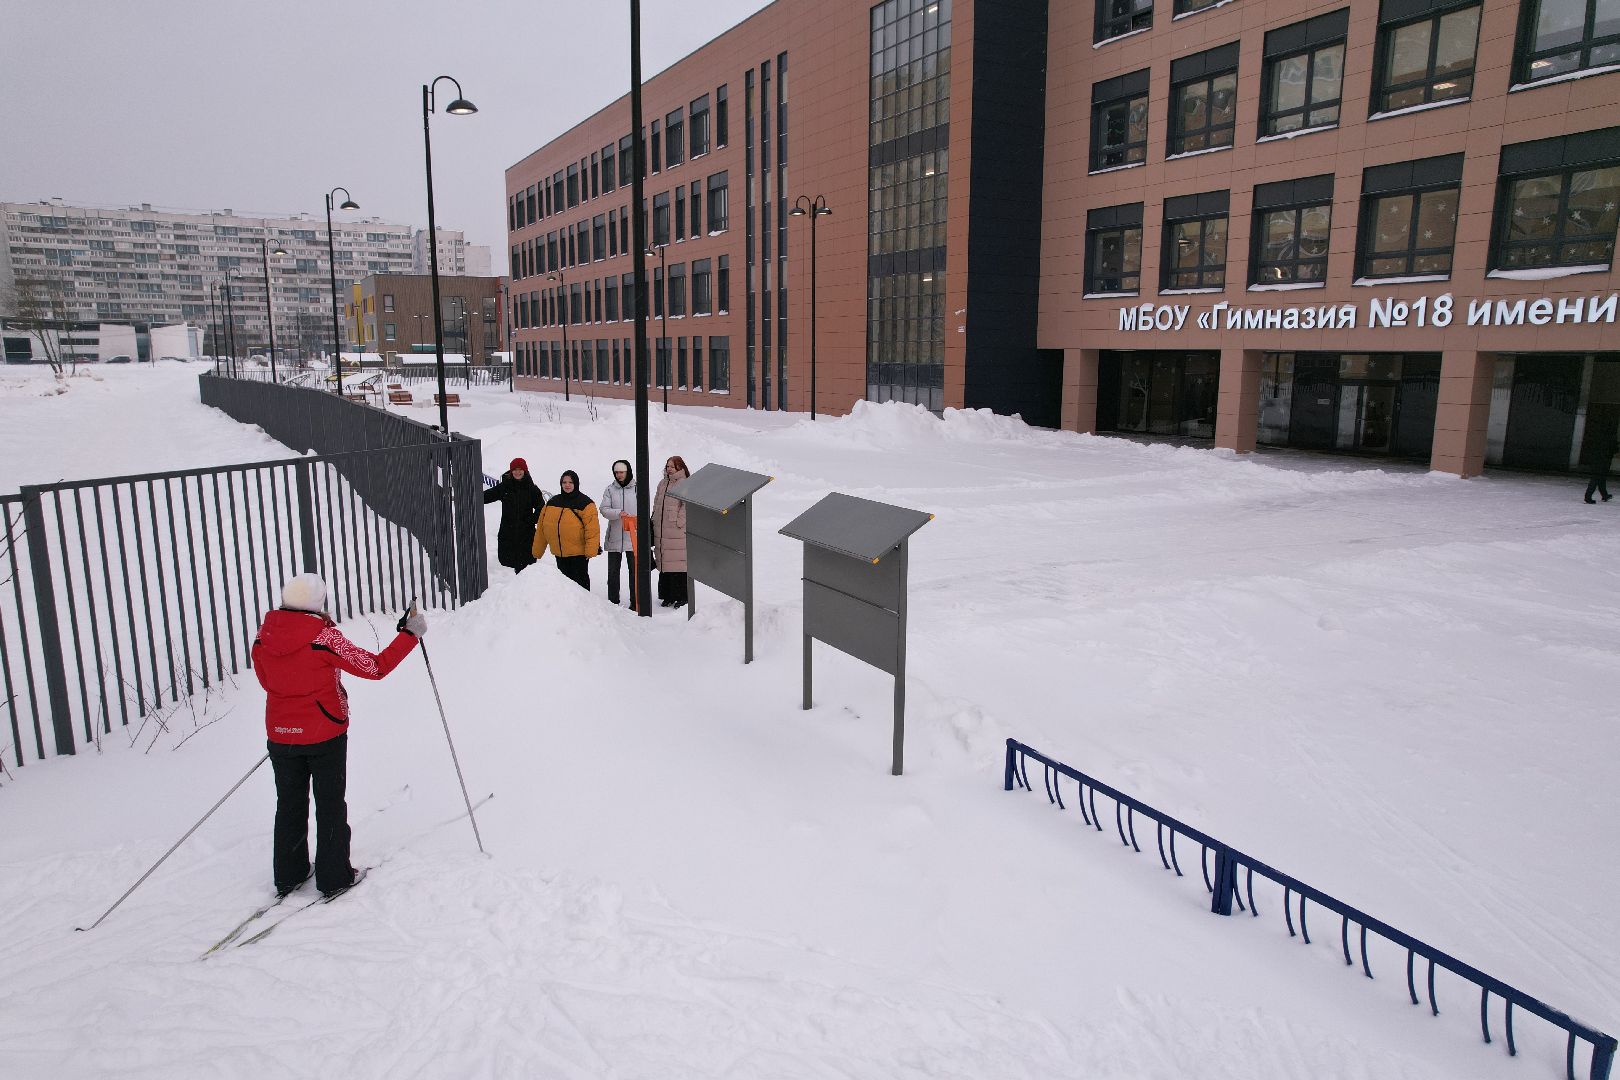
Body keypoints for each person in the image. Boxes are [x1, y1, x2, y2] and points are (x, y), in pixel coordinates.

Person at [252, 573, 425, 899]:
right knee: (330, 805)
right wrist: (409, 635)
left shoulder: (264, 637)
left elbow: (268, 681)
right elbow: (375, 667)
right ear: (319, 603)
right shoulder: (324, 638)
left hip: (281, 735)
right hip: (325, 734)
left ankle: (289, 874)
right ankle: (334, 877)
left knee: (288, 804)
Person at [534, 470, 600, 589]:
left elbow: (592, 530)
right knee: (565, 587)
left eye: (570, 482)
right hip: (559, 554)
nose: (567, 485)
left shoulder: (586, 503)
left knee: (580, 585)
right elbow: (542, 528)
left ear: (576, 484)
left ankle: (584, 601)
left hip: (578, 555)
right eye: (564, 482)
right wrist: (537, 551)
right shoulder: (552, 503)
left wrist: (590, 551)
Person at [483, 457, 545, 573]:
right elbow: (486, 496)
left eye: (520, 469)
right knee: (509, 567)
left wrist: (531, 520)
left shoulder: (532, 489)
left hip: (526, 535)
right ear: (511, 471)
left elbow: (541, 508)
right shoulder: (505, 487)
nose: (517, 472)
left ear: (525, 471)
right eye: (515, 469)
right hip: (508, 534)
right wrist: (470, 496)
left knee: (527, 569)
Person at [599, 458, 643, 607]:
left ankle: (635, 602)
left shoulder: (638, 488)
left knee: (634, 572)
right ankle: (612, 602)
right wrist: (618, 513)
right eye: (616, 472)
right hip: (615, 536)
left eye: (621, 472)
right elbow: (604, 509)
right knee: (613, 573)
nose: (619, 475)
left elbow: (644, 509)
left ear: (627, 472)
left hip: (633, 536)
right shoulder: (610, 489)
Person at [653, 455, 691, 608]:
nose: (669, 469)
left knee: (678, 565)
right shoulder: (662, 483)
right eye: (667, 466)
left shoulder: (685, 483)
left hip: (676, 531)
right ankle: (668, 595)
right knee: (665, 563)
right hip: (661, 529)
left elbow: (687, 505)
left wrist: (679, 522)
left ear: (679, 467)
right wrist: (654, 517)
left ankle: (682, 597)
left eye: (672, 466)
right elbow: (656, 503)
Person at [1586, 420, 1617, 504]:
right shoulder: (1611, 437)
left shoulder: (1597, 436)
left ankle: (1604, 495)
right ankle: (1588, 497)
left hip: (1596, 459)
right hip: (1604, 460)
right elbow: (1614, 449)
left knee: (1600, 478)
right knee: (1597, 478)